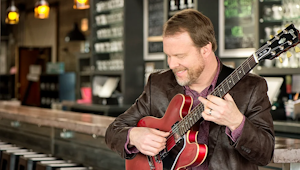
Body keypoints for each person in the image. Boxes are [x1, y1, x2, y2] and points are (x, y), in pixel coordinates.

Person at [105, 9, 275, 170]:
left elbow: (265, 153)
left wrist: (236, 122)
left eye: (180, 56)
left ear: (205, 49)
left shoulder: (251, 88)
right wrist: (134, 136)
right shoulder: (158, 84)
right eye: (168, 56)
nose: (171, 64)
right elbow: (114, 131)